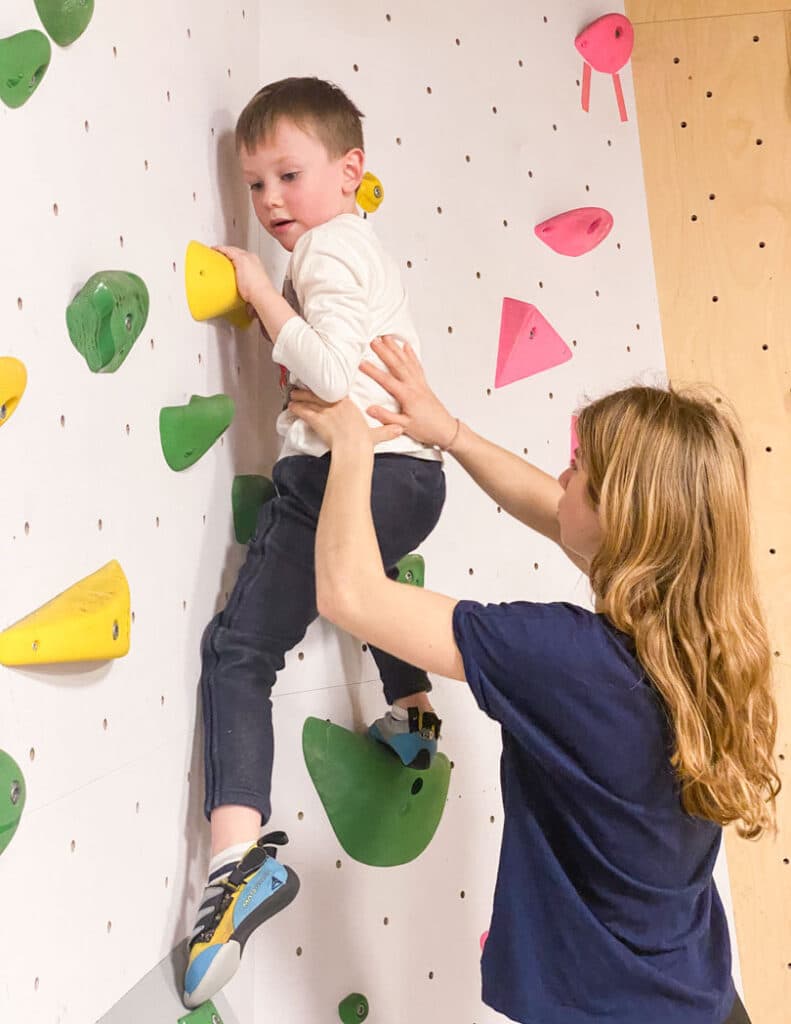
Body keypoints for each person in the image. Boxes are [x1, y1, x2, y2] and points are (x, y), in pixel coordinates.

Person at [288, 335, 779, 1024]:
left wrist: (350, 444)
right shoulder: (707, 649)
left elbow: (351, 595)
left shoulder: (565, 660)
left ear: (624, 518)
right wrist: (450, 433)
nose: (558, 477)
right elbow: (559, 515)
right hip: (701, 1000)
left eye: (577, 469)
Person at [183, 80, 446, 1008]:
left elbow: (330, 373)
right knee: (358, 587)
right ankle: (410, 714)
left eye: (289, 176)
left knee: (241, 651)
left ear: (350, 171)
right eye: (255, 186)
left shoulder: (329, 251)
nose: (271, 204)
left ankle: (235, 867)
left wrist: (258, 288)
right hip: (413, 483)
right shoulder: (356, 247)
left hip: (353, 473)